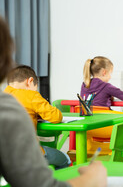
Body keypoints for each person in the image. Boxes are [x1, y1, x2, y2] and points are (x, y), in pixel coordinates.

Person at [0, 16, 107, 186]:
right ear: (30, 82)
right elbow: (56, 116)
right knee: (64, 157)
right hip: (36, 153)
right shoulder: (26, 98)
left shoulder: (7, 93)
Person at [4, 65, 71, 169]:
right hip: (27, 153)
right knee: (65, 159)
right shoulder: (30, 95)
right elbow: (56, 117)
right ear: (30, 81)